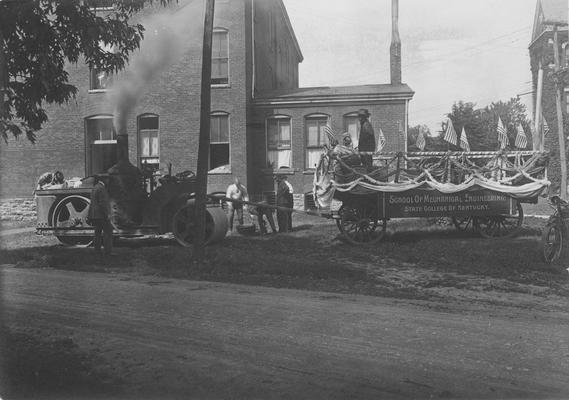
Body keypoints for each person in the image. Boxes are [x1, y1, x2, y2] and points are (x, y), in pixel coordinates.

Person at [87, 174, 113, 256]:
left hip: (95, 216)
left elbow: (92, 203)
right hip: (102, 215)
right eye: (107, 179)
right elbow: (103, 203)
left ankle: (97, 252)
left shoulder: (95, 188)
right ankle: (108, 252)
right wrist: (108, 214)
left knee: (97, 234)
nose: (109, 181)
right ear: (104, 180)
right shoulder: (102, 188)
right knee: (108, 233)